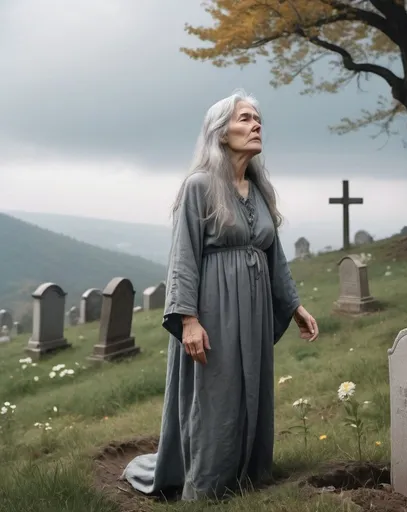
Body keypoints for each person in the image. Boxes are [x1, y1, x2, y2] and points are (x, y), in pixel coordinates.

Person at [121, 89, 319, 501]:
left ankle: (248, 473)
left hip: (255, 309)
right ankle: (207, 482)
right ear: (220, 132)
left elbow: (273, 255)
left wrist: (293, 305)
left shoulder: (260, 189)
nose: (256, 125)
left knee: (252, 389)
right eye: (245, 118)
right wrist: (188, 319)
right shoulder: (198, 186)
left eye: (257, 118)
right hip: (212, 308)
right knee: (215, 393)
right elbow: (183, 257)